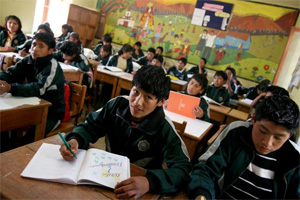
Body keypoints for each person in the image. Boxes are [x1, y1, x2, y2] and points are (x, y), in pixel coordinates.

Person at [59, 66, 192, 199]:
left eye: (148, 97)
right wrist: (75, 139)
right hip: (104, 176)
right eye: (136, 92)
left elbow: (182, 169)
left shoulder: (165, 128)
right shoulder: (116, 105)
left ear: (161, 102)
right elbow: (90, 126)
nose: (137, 102)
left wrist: (149, 182)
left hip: (138, 187)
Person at [188, 95, 300, 199]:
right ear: (253, 119)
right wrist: (202, 195)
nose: (267, 143)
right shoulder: (237, 133)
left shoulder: (295, 159)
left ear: (290, 136)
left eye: (278, 137)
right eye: (262, 131)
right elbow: (206, 169)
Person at [0, 32, 65, 137]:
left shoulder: (52, 66)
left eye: (41, 46)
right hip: (31, 104)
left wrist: (11, 88)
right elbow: (11, 74)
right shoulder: (28, 60)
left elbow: (39, 88)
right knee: (5, 124)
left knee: (30, 138)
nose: (35, 48)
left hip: (51, 112)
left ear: (50, 51)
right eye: (34, 44)